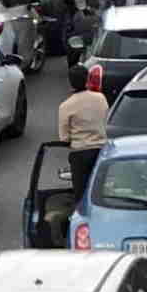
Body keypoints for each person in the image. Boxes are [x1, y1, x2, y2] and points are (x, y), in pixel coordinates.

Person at [58, 62, 108, 206]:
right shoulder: (101, 98)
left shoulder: (65, 106)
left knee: (81, 195)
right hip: (101, 152)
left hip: (80, 154)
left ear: (70, 81)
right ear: (87, 79)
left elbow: (64, 138)